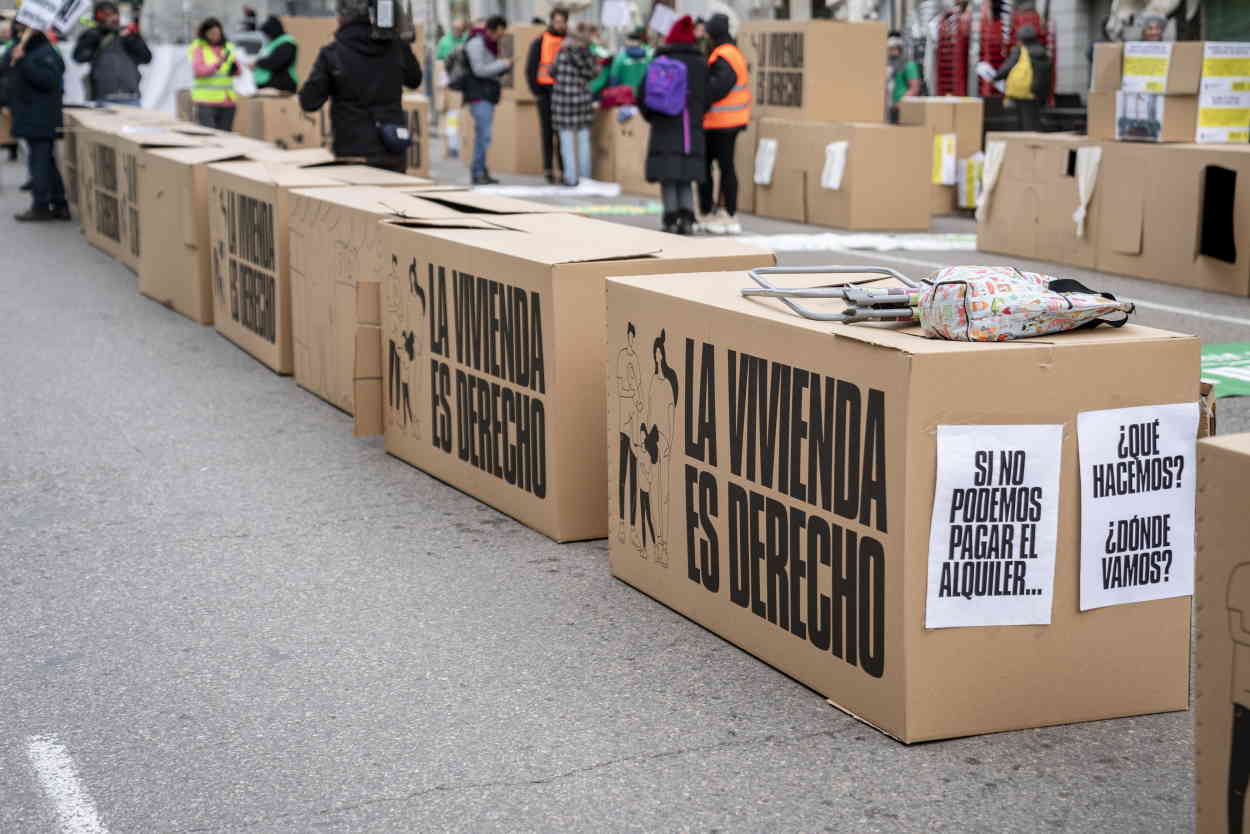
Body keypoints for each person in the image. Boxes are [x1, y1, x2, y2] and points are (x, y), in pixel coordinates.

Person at [299, 0, 423, 172]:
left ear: (342, 17)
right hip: (392, 150)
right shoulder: (396, 47)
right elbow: (415, 79)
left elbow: (309, 101)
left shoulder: (332, 53)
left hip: (352, 154)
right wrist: (402, 40)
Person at [638, 15, 708, 235]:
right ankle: (687, 218)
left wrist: (653, 117)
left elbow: (642, 95)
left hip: (663, 126)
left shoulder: (659, 62)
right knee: (686, 175)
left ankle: (669, 217)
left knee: (668, 175)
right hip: (690, 128)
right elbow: (708, 96)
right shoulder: (699, 63)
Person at [7, 23, 69, 222]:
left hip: (41, 117)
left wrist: (24, 61)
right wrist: (16, 53)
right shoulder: (23, 48)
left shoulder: (45, 52)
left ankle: (41, 206)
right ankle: (60, 204)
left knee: (39, 163)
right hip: (31, 115)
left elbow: (48, 81)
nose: (18, 32)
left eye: (21, 29)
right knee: (46, 163)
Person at [698, 13, 748, 235]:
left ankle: (718, 212)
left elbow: (716, 88)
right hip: (730, 121)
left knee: (713, 167)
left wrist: (699, 96)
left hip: (720, 122)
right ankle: (725, 211)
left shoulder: (723, 56)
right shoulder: (731, 52)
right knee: (725, 166)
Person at [72, 1, 151, 106]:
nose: (111, 19)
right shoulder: (94, 35)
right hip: (103, 97)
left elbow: (146, 58)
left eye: (112, 14)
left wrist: (134, 39)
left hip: (130, 96)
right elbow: (79, 57)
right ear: (98, 18)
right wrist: (94, 38)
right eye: (106, 15)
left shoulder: (127, 35)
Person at [463, 15, 511, 185]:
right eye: (499, 33)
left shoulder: (488, 43)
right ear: (492, 29)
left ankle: (481, 170)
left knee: (484, 136)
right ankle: (477, 172)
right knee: (483, 135)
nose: (500, 36)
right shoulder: (476, 43)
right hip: (478, 96)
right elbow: (479, 70)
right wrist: (502, 65)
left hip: (487, 95)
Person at [551, 23, 597, 187]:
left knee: (567, 142)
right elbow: (593, 73)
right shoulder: (589, 54)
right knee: (584, 140)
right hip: (582, 100)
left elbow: (552, 71)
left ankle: (571, 178)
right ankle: (586, 178)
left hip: (563, 101)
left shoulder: (562, 52)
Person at [525, 8, 567, 184]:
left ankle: (565, 170)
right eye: (556, 21)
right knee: (547, 132)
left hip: (564, 94)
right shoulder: (540, 41)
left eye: (562, 21)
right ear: (551, 21)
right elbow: (531, 69)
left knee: (562, 134)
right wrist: (538, 93)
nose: (559, 25)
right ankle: (549, 170)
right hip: (545, 94)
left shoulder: (568, 41)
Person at [995, 25, 1051, 132]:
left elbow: (1008, 67)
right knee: (1033, 121)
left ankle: (1021, 143)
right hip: (1037, 92)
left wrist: (996, 76)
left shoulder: (1020, 51)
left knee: (1016, 122)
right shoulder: (1043, 52)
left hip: (1020, 91)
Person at [189, 18, 239, 130]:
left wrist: (235, 69)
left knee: (226, 139)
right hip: (207, 102)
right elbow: (199, 71)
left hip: (227, 101)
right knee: (210, 137)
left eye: (218, 33)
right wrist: (217, 64)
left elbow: (237, 69)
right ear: (205, 34)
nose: (215, 36)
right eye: (212, 33)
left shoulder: (228, 47)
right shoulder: (199, 49)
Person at [589, 26, 651, 99]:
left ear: (627, 41)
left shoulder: (621, 57)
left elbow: (614, 77)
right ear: (639, 41)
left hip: (624, 96)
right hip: (641, 96)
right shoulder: (647, 57)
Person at [252, 16, 297, 93]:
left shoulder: (286, 43)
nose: (266, 36)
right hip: (269, 85)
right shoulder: (274, 43)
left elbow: (276, 62)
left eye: (267, 33)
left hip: (281, 86)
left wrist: (258, 63)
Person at [885, 31, 920, 123]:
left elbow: (914, 88)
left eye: (894, 48)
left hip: (900, 109)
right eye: (890, 49)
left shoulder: (908, 64)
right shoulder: (888, 63)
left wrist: (900, 103)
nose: (892, 52)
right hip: (887, 108)